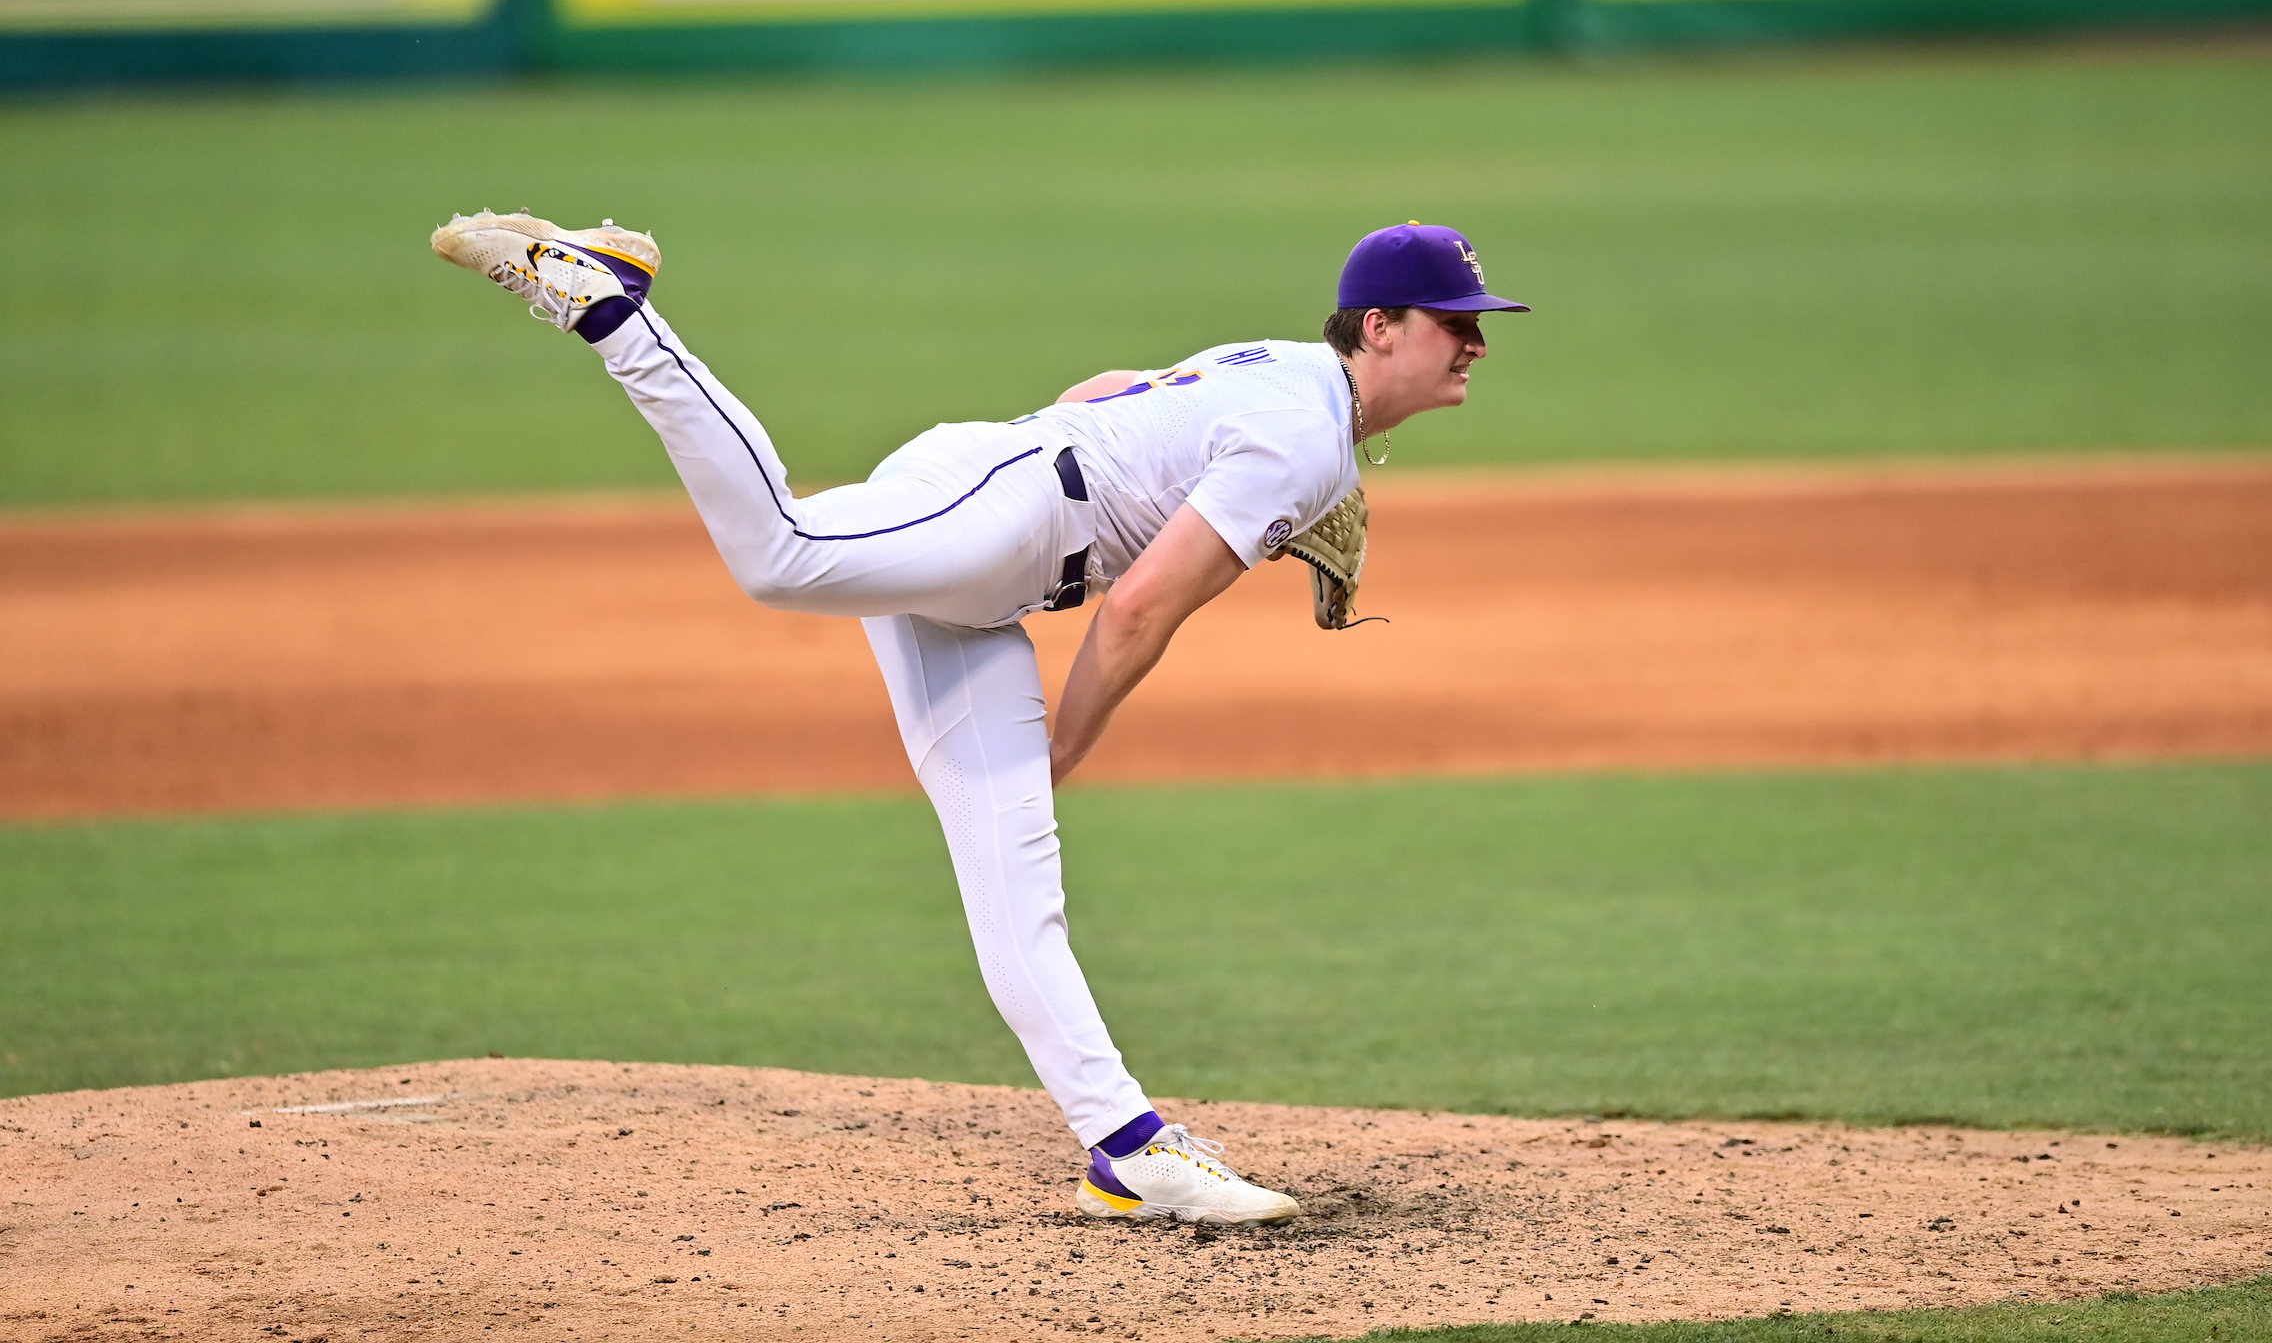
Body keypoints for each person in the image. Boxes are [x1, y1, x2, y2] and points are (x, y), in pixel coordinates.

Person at [428, 211, 1529, 1223]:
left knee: (1017, 880)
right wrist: (1066, 746)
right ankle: (618, 308)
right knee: (781, 555)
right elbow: (1141, 609)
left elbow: (1109, 388)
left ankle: (1129, 1152)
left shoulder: (1288, 373)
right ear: (1380, 328)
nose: (1476, 343)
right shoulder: (1308, 438)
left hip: (999, 554)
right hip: (1002, 507)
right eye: (1456, 322)